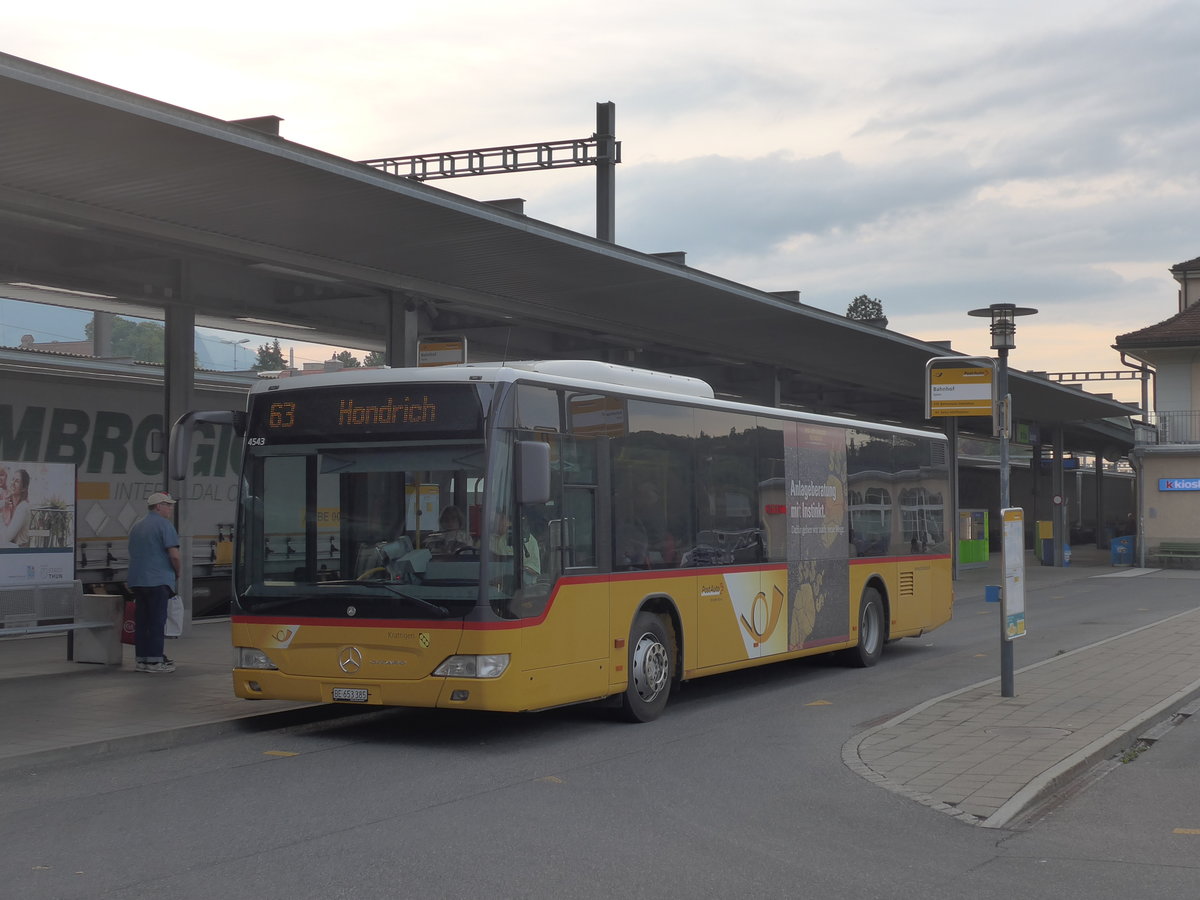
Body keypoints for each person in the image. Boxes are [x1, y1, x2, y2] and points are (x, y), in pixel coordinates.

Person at [127, 491, 182, 674]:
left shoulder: (137, 526)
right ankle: (155, 662)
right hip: (158, 580)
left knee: (142, 622)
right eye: (168, 505)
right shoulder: (164, 525)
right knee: (157, 622)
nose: (171, 509)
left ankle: (141, 660)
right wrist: (178, 572)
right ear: (158, 506)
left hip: (138, 581)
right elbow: (174, 555)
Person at [0, 468, 31, 547]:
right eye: (12, 479)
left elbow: (6, 537)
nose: (12, 483)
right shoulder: (10, 505)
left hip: (18, 552)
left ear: (23, 488)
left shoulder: (23, 507)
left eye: (17, 481)